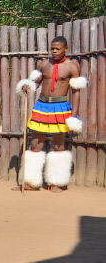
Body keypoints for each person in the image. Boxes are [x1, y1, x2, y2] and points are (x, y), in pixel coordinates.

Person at [15, 36, 87, 191]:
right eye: (52, 48)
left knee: (58, 144)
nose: (54, 51)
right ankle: (31, 182)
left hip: (60, 107)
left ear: (66, 49)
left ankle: (56, 182)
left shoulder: (72, 67)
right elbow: (35, 83)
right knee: (35, 143)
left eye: (57, 48)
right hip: (41, 106)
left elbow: (76, 93)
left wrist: (74, 115)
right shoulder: (44, 64)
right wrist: (28, 86)